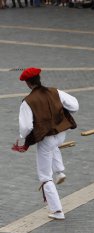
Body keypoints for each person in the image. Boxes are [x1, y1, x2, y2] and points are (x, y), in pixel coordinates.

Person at [13, 67, 79, 220]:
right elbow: (74, 106)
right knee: (53, 147)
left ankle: (57, 210)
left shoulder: (28, 101)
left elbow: (26, 127)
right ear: (39, 78)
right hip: (61, 133)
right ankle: (60, 171)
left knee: (44, 176)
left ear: (28, 84)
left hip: (46, 138)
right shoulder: (56, 91)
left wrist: (25, 138)